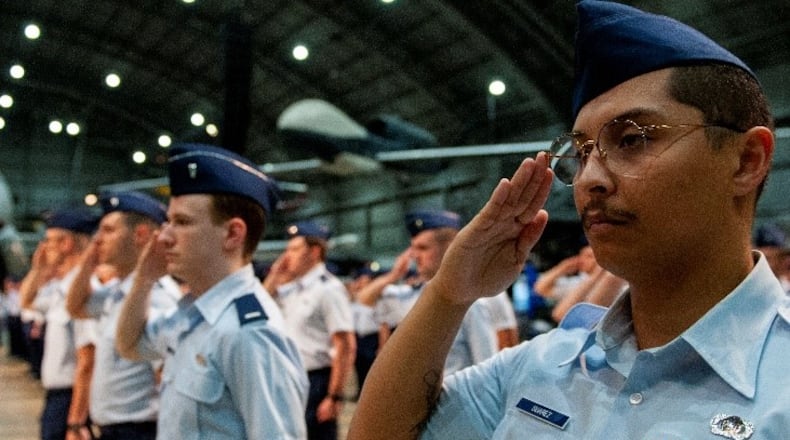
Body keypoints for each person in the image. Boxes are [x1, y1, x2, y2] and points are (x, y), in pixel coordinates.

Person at [349, 1, 784, 438]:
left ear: (746, 161)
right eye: (580, 155)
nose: (589, 178)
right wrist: (447, 293)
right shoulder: (541, 367)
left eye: (632, 139)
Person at [114, 143, 308, 439]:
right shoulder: (192, 313)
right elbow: (130, 345)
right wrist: (144, 279)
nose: (163, 236)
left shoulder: (250, 332)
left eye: (181, 222)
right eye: (168, 221)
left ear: (233, 234)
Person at [65, 191, 180, 440]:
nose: (97, 239)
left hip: (139, 430)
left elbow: (167, 379)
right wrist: (88, 261)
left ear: (139, 235)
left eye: (108, 230)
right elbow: (76, 307)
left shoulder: (157, 297)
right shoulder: (117, 291)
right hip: (116, 429)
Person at [356, 210, 500, 375]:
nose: (415, 255)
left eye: (423, 248)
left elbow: (487, 366)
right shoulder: (409, 296)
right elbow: (363, 299)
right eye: (413, 248)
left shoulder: (469, 303)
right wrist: (394, 275)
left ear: (449, 249)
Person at [263, 221, 355, 440]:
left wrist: (334, 396)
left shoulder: (328, 290)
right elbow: (260, 305)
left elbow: (345, 344)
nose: (287, 256)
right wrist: (274, 275)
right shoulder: (291, 290)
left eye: (294, 249)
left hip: (316, 382)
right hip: (288, 379)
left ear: (314, 252)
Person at [19, 209, 99, 440]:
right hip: (56, 397)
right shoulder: (63, 288)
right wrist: (38, 268)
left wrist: (76, 422)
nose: (44, 247)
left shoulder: (84, 290)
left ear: (66, 243)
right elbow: (28, 301)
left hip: (70, 398)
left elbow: (87, 360)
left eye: (49, 241)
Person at [533, 245, 597, 302]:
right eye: (581, 256)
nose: (581, 260)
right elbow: (540, 288)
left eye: (589, 256)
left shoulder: (606, 277)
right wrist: (562, 268)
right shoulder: (577, 282)